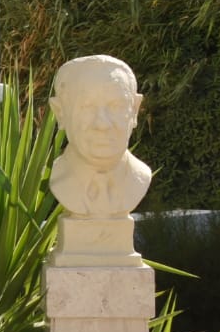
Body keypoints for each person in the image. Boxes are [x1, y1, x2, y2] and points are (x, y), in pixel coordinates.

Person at [47, 54, 153, 217]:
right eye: (87, 107)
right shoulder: (59, 178)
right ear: (60, 113)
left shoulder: (139, 179)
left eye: (116, 106)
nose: (102, 124)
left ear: (134, 111)